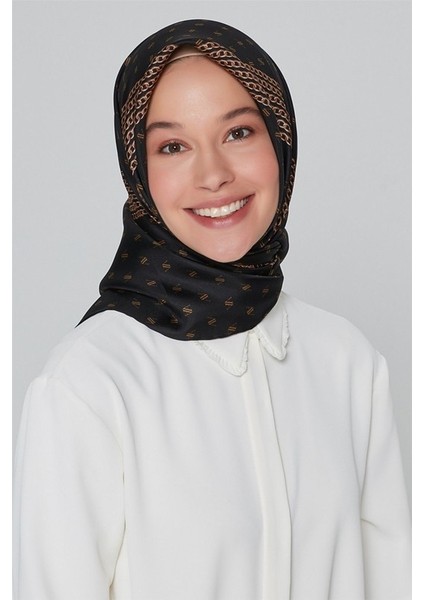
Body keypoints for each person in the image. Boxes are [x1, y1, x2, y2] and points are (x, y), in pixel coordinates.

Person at [13, 18, 411, 600]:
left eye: (238, 132)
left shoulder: (347, 362)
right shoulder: (90, 385)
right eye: (172, 146)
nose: (214, 175)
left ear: (280, 140)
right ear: (138, 170)